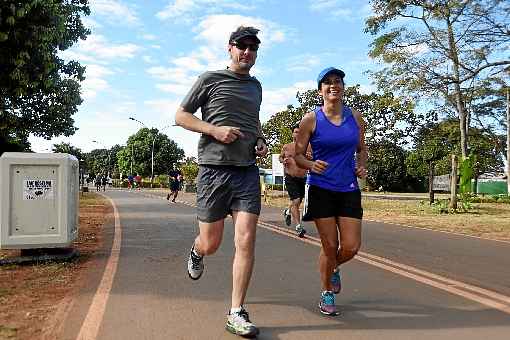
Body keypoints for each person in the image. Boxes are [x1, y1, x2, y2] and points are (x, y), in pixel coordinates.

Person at [175, 26, 267, 338]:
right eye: (242, 46)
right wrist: (214, 130)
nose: (247, 52)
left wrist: (260, 138)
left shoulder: (256, 87)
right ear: (230, 48)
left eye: (253, 48)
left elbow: (253, 120)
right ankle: (197, 252)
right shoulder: (209, 79)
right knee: (212, 243)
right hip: (213, 171)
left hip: (246, 172)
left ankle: (236, 312)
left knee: (245, 239)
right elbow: (181, 116)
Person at [294, 67, 368, 316]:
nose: (333, 85)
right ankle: (326, 291)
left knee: (351, 246)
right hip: (320, 187)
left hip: (348, 188)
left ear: (343, 87)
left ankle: (332, 267)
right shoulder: (310, 119)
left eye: (337, 81)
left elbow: (362, 149)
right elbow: (298, 155)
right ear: (320, 91)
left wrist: (362, 165)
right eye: (327, 83)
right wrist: (311, 164)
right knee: (329, 245)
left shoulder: (355, 118)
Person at [279, 124, 310, 237]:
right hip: (290, 177)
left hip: (302, 178)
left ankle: (287, 211)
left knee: (297, 202)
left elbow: (314, 158)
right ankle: (298, 226)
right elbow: (280, 157)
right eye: (296, 132)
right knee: (296, 200)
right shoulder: (287, 146)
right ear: (292, 134)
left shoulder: (308, 146)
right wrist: (283, 160)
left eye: (299, 132)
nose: (298, 134)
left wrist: (310, 157)